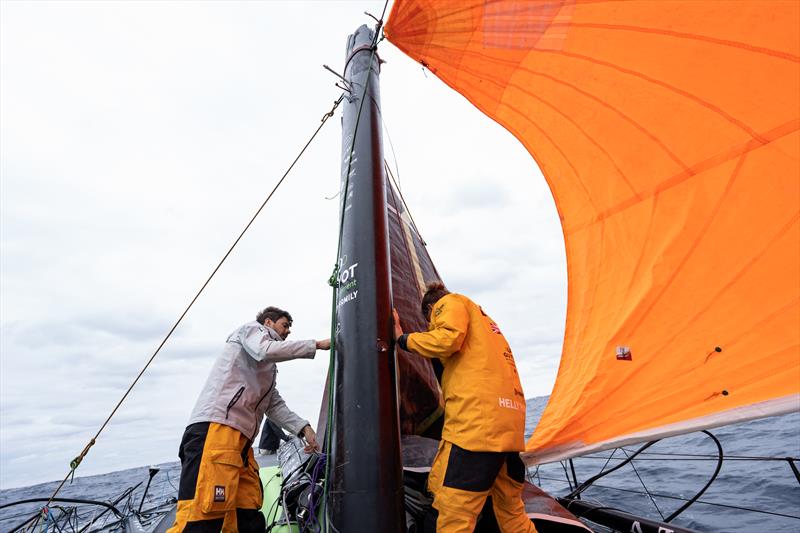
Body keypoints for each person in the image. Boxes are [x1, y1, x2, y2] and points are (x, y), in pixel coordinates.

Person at [168, 306, 330, 533]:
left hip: (240, 445)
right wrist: (316, 345)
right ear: (268, 322)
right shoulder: (250, 331)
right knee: (202, 518)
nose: (288, 332)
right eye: (285, 325)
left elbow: (274, 404)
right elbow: (265, 349)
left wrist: (304, 429)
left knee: (247, 512)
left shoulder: (266, 369)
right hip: (216, 433)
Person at [393, 283, 537, 533]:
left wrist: (402, 339)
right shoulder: (486, 325)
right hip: (509, 432)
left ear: (430, 309)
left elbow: (447, 339)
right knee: (513, 516)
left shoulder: (450, 303)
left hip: (476, 432)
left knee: (453, 518)